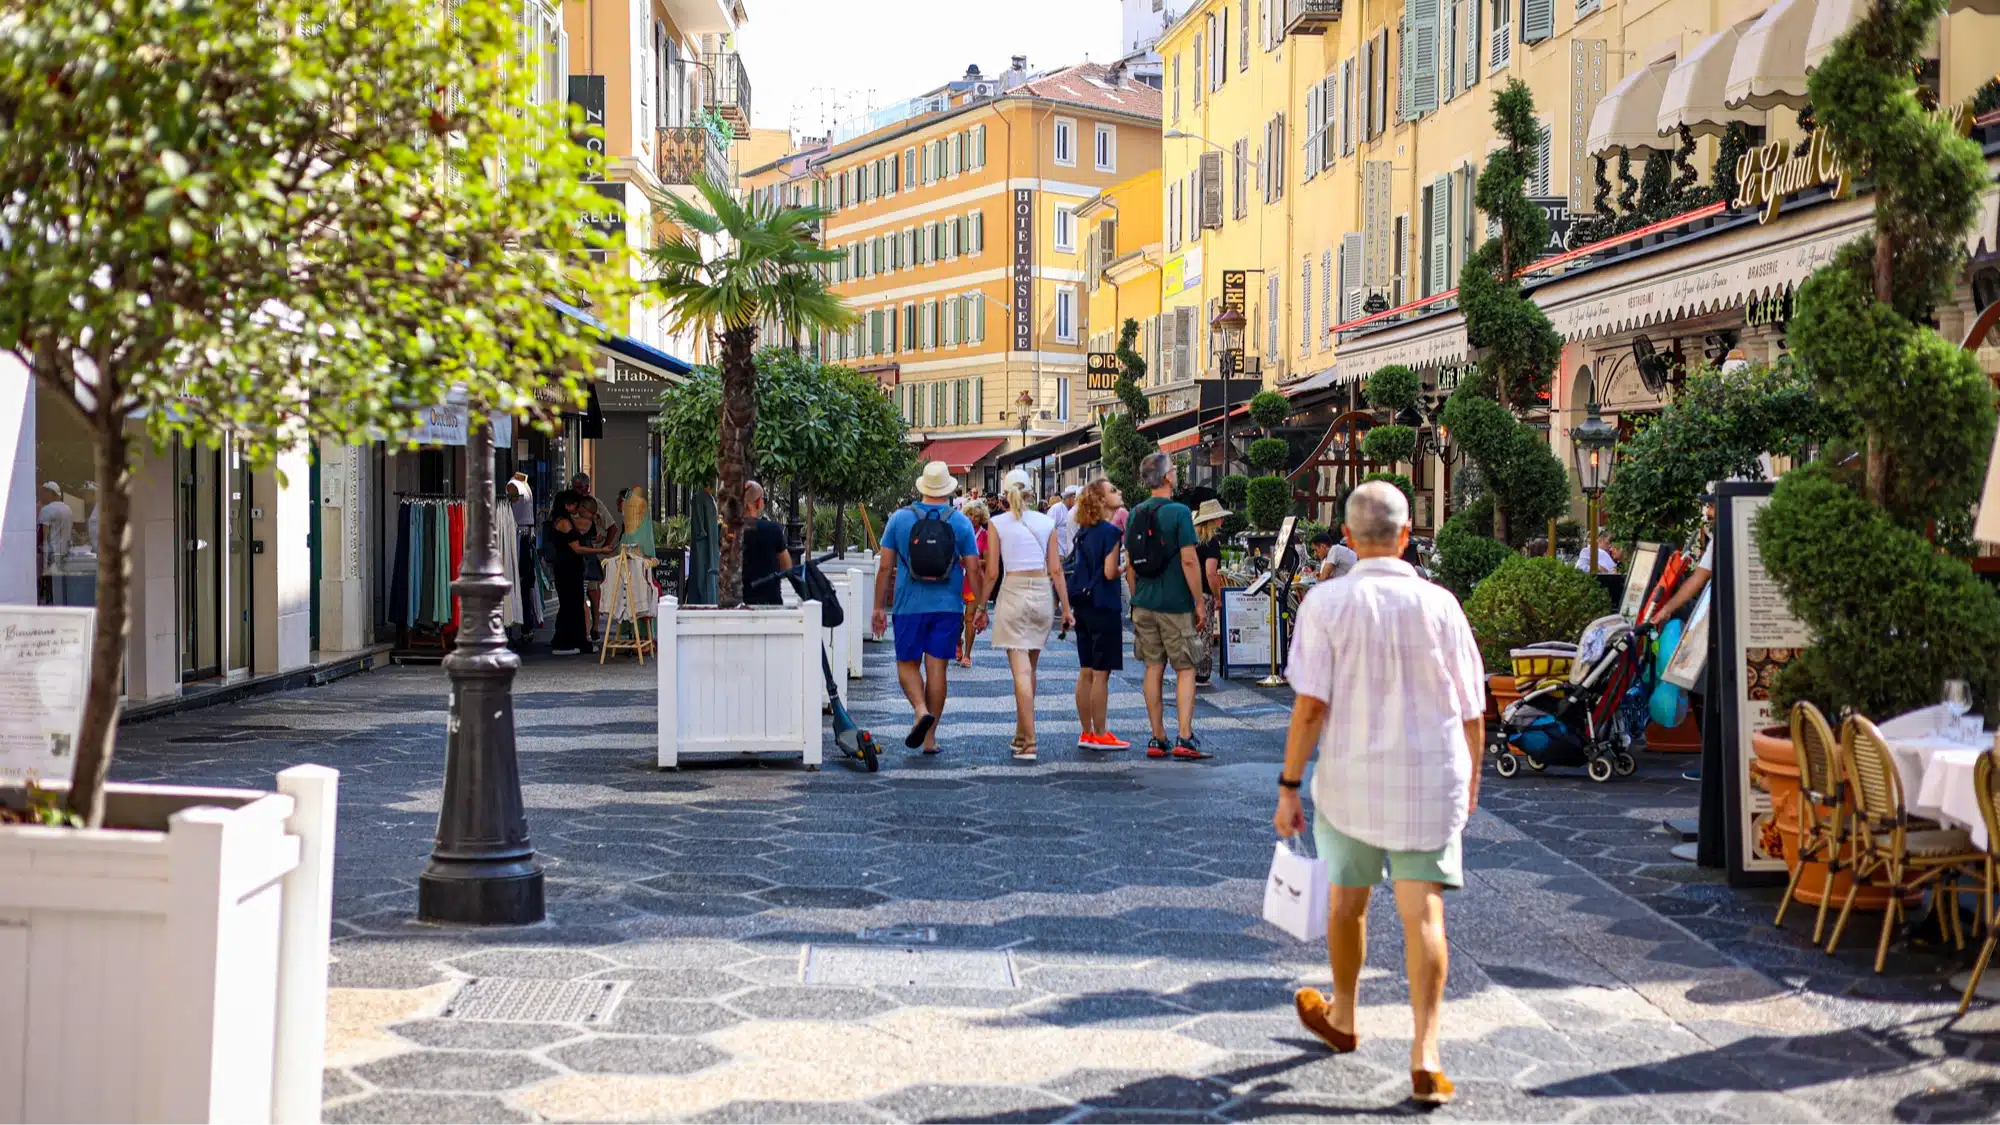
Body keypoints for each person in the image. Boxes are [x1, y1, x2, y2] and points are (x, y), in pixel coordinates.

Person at [1274, 481, 1485, 1108]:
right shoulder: (1440, 603)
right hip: (1428, 776)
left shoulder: (1326, 602)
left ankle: (1344, 1015)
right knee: (1424, 916)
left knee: (1348, 905)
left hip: (1351, 779)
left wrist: (1289, 784)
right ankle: (1425, 1052)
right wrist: (1471, 776)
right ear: (1407, 534)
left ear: (1346, 536)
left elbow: (1311, 706)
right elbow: (1473, 705)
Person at [872, 461, 984, 756]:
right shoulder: (959, 522)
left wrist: (877, 608)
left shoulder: (899, 519)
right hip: (947, 606)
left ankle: (920, 710)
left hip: (908, 605)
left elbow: (885, 568)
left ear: (922, 486)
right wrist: (982, 605)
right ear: (948, 488)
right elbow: (973, 568)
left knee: (907, 665)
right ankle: (930, 738)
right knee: (938, 669)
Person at [983, 469, 1074, 761]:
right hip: (1042, 594)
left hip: (1014, 591)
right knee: (1030, 669)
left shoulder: (997, 523)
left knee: (1020, 671)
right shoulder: (1047, 522)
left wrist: (980, 606)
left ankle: (1030, 741)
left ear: (1005, 494)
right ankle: (1022, 733)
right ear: (1032, 493)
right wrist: (1067, 608)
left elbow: (994, 572)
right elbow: (1056, 569)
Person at [1125, 451, 1210, 760]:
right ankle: (1185, 737)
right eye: (1173, 469)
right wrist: (1199, 602)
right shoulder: (1179, 512)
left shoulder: (1135, 513)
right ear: (1166, 477)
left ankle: (1157, 736)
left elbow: (1130, 564)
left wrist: (1136, 598)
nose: (1175, 472)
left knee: (1153, 667)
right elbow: (1189, 559)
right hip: (1175, 603)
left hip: (1144, 603)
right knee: (1186, 668)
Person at [1070, 479, 1130, 750]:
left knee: (1085, 670)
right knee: (1101, 673)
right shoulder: (1110, 532)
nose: (1119, 493)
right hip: (1104, 604)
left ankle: (1086, 731)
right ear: (1102, 501)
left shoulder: (1084, 530)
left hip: (1082, 603)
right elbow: (1109, 572)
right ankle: (1101, 732)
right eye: (1113, 490)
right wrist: (1124, 566)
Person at [547, 497, 613, 655]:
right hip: (569, 568)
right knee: (574, 604)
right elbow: (577, 548)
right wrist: (601, 550)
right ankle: (570, 641)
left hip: (570, 567)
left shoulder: (567, 522)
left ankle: (572, 640)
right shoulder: (568, 523)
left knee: (574, 604)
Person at [1190, 500, 1232, 686]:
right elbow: (1211, 572)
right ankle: (1201, 673)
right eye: (1219, 517)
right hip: (1204, 593)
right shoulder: (1212, 543)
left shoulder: (1191, 540)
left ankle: (1186, 670)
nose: (1222, 520)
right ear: (1213, 520)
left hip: (1187, 592)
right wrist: (1217, 596)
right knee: (1204, 632)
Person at [740, 481, 793, 607]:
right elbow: (787, 567)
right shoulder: (772, 529)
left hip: (738, 604)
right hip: (770, 602)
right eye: (764, 499)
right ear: (758, 502)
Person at [958, 500, 992, 667]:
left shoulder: (984, 535)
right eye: (970, 514)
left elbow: (988, 560)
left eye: (977, 516)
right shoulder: (960, 532)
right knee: (956, 617)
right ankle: (958, 641)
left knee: (969, 617)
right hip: (958, 577)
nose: (973, 518)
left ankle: (967, 654)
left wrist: (972, 562)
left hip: (974, 579)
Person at [37, 481, 74, 564]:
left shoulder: (47, 510)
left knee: (51, 576)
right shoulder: (68, 509)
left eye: (44, 492)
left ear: (50, 493)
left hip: (51, 555)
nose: (41, 495)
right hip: (65, 553)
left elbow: (41, 535)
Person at [1051, 483, 1081, 561]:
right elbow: (1049, 529)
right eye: (1074, 497)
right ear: (1068, 498)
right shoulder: (1056, 509)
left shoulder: (1075, 510)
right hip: (1059, 553)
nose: (1076, 500)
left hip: (1070, 552)